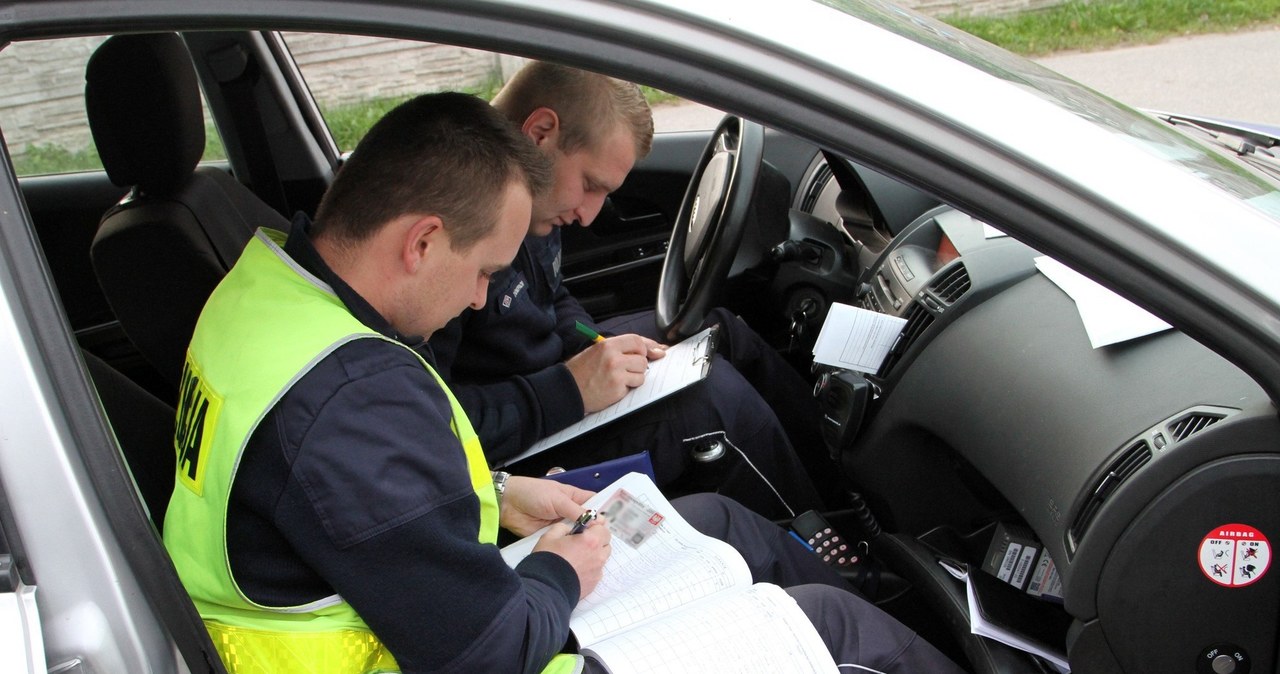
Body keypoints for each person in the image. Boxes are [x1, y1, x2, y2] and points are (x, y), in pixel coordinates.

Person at [162, 91, 965, 673]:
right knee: (830, 630)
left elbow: (350, 502)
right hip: (454, 651)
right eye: (482, 272)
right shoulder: (350, 397)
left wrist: (503, 489)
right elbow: (489, 652)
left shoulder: (263, 292)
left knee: (726, 523)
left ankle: (904, 597)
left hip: (395, 611)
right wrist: (558, 569)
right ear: (423, 241)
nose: (480, 298)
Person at [428, 62, 834, 519]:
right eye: (590, 186)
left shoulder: (535, 196)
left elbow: (552, 297)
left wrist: (595, 344)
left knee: (719, 331)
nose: (588, 215)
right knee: (717, 402)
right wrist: (571, 389)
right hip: (512, 451)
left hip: (550, 381)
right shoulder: (454, 230)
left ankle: (835, 486)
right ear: (540, 133)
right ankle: (820, 541)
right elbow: (431, 427)